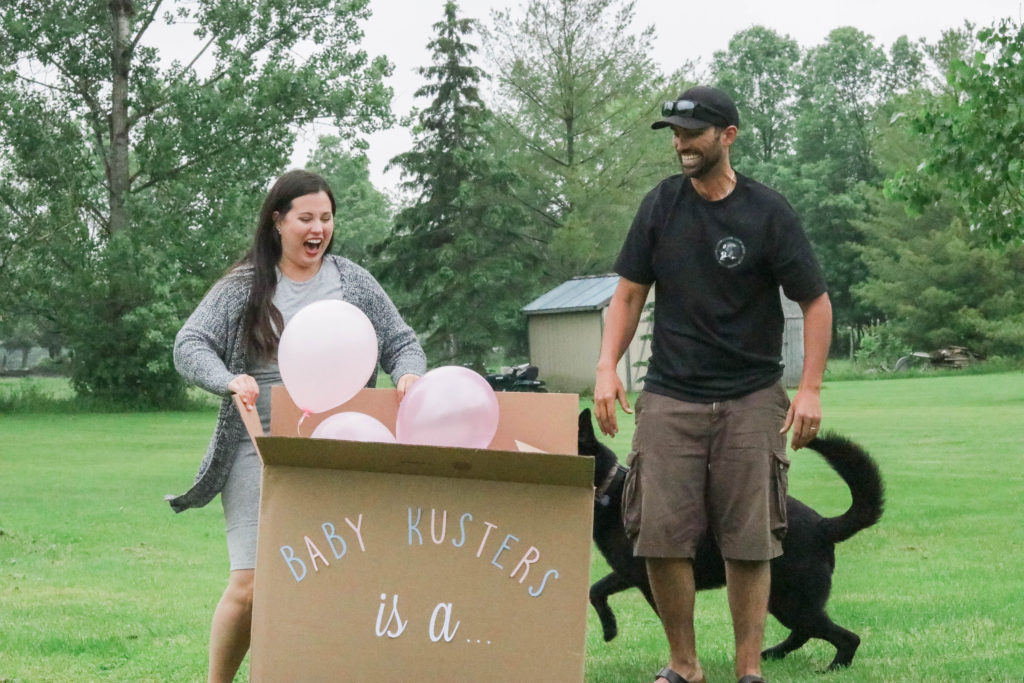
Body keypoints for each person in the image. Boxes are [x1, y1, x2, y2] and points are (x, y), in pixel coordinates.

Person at [593, 87, 832, 683]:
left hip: (751, 395)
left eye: (692, 134)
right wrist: (605, 366)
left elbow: (816, 301)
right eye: (674, 133)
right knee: (659, 536)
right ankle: (685, 667)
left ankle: (748, 671)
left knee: (749, 540)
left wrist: (810, 389)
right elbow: (627, 294)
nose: (680, 144)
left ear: (727, 135)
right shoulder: (661, 206)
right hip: (671, 394)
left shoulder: (767, 212)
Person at [167, 169, 426, 683]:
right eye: (306, 217)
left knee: (331, 574)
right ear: (277, 221)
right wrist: (227, 379)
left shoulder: (351, 281)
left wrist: (410, 374)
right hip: (256, 448)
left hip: (336, 446)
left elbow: (401, 341)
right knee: (251, 583)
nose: (318, 228)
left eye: (326, 218)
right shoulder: (244, 286)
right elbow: (189, 344)